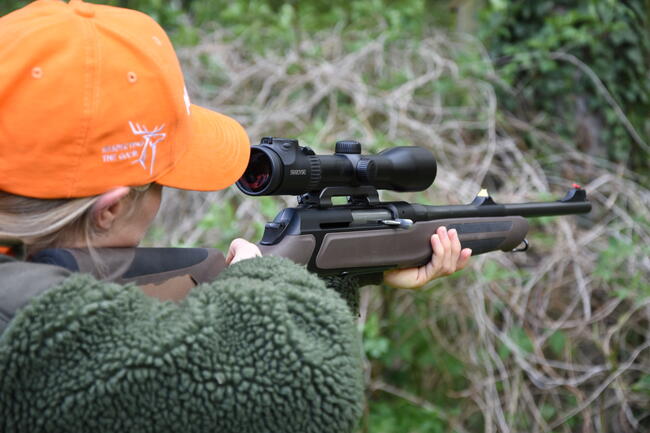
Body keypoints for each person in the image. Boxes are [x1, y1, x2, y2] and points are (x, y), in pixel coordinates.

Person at [0, 1, 471, 432]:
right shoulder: (30, 322)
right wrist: (264, 281)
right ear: (111, 209)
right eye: (164, 181)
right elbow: (307, 393)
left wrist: (338, 273)